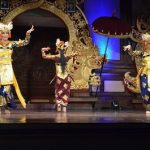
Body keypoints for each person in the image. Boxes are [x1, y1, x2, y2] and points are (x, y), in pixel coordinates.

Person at [0, 21, 34, 113]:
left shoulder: (11, 43)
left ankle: (6, 105)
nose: (5, 34)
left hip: (7, 68)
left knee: (7, 87)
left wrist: (27, 34)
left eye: (7, 33)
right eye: (3, 33)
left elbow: (25, 42)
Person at [41, 38, 78, 112]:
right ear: (65, 49)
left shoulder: (56, 57)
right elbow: (75, 54)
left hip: (59, 77)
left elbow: (44, 56)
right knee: (66, 90)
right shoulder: (67, 56)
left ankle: (59, 104)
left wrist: (42, 50)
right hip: (66, 77)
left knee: (58, 90)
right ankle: (64, 105)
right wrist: (75, 53)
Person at [124, 32, 150, 114]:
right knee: (145, 90)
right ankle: (148, 107)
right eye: (145, 43)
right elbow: (133, 53)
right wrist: (129, 48)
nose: (147, 44)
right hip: (144, 73)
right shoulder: (142, 52)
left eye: (148, 43)